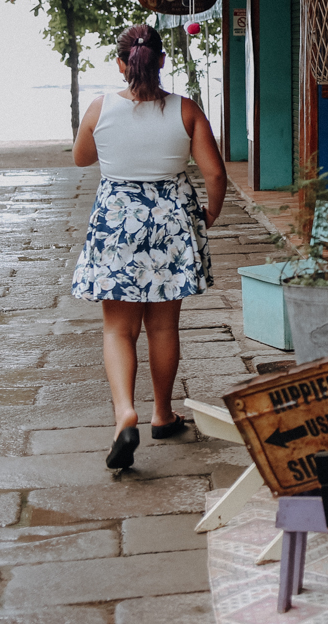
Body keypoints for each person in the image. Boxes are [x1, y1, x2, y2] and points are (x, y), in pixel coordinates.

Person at [71, 24, 225, 469]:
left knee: (118, 329)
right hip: (172, 217)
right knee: (163, 327)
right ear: (161, 60)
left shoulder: (101, 107)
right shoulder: (185, 110)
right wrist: (209, 214)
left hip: (118, 219)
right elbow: (215, 174)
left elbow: (82, 158)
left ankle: (125, 414)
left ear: (122, 64)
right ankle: (162, 412)